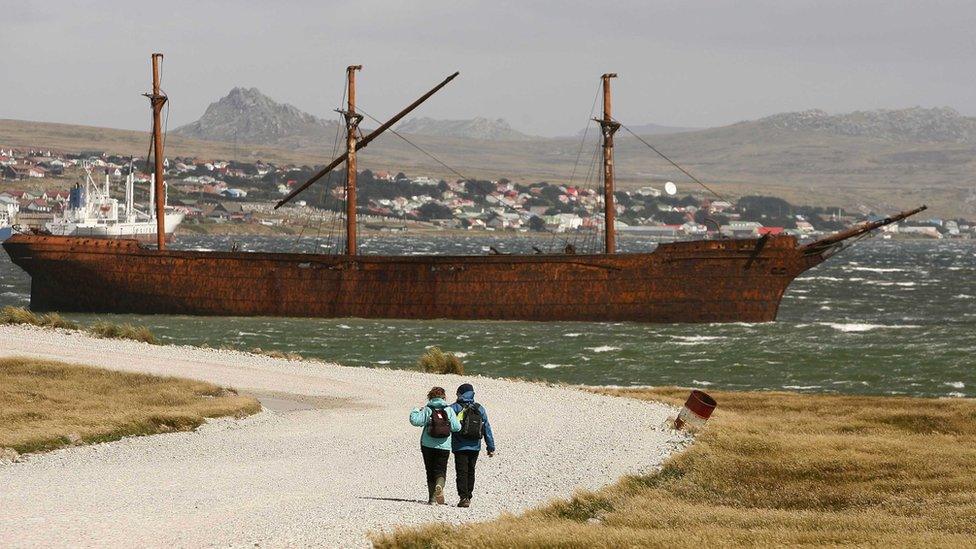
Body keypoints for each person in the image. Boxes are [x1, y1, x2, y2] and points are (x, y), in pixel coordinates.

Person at [409, 386, 461, 505]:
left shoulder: (428, 409)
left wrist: (415, 410)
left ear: (430, 397)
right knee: (441, 470)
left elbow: (415, 421)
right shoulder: (448, 410)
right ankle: (440, 485)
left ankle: (432, 499)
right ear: (444, 397)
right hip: (444, 446)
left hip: (427, 444)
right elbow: (457, 427)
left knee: (430, 470)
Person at [449, 383, 496, 508]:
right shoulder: (479, 408)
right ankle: (469, 495)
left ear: (460, 393)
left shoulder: (455, 407)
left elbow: (444, 420)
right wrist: (490, 447)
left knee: (461, 472)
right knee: (471, 471)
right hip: (475, 446)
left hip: (459, 446)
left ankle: (463, 497)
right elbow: (486, 428)